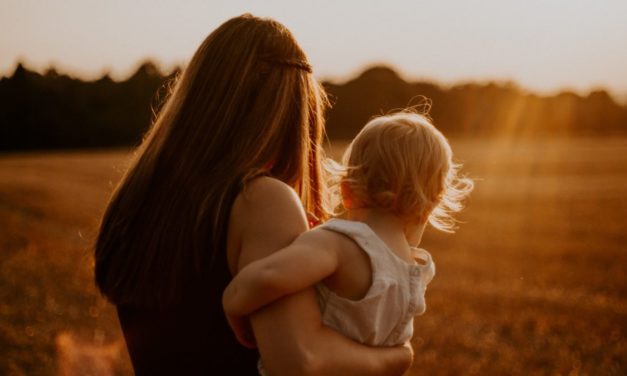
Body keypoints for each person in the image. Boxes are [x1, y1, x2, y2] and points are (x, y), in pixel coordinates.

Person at [94, 13, 412, 376]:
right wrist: (396, 358)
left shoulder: (138, 200)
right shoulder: (261, 201)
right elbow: (298, 363)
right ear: (293, 114)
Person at [223, 111, 474, 373]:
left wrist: (233, 300)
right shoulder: (415, 271)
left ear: (346, 191)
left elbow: (270, 275)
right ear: (429, 208)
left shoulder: (338, 243)